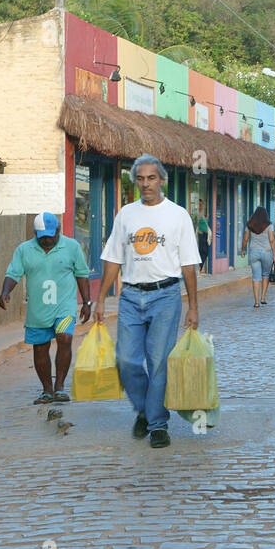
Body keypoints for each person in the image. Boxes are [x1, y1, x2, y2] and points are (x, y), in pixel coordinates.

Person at [94, 154, 200, 449]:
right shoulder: (126, 214)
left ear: (162, 180)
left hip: (165, 296)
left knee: (158, 363)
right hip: (130, 296)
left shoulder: (178, 215)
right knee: (126, 361)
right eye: (140, 178)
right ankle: (144, 408)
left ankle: (157, 424)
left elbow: (189, 264)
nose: (146, 184)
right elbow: (113, 258)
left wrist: (193, 306)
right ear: (135, 182)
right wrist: (101, 300)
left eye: (151, 178)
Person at [0, 212, 92, 404]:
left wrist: (87, 302)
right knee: (40, 348)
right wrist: (5, 291)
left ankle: (59, 387)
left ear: (58, 230)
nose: (47, 240)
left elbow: (82, 274)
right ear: (35, 233)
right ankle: (46, 390)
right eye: (42, 237)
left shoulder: (72, 247)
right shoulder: (24, 249)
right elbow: (14, 273)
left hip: (64, 306)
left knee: (64, 337)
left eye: (51, 235)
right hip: (38, 309)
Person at [241, 207, 275, 307]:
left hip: (254, 253)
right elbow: (272, 240)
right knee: (265, 274)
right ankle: (263, 298)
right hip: (266, 252)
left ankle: (256, 302)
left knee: (256, 276)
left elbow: (245, 239)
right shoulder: (269, 225)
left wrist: (243, 250)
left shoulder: (250, 225)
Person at [194, 202, 212, 273]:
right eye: (199, 204)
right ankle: (199, 266)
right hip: (201, 234)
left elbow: (204, 222)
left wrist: (206, 218)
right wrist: (198, 230)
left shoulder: (202, 213)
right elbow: (195, 222)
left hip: (205, 234)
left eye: (202, 204)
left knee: (205, 251)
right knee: (203, 251)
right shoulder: (197, 213)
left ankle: (200, 266)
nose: (201, 206)